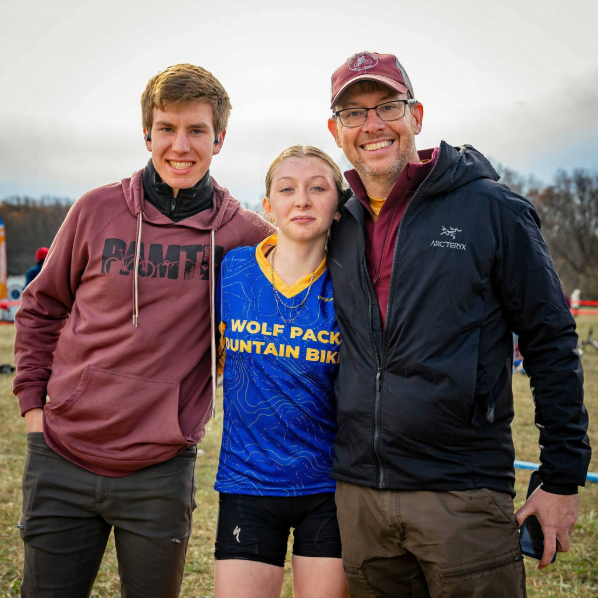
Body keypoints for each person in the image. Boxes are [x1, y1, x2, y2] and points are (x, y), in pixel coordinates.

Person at [325, 51, 591, 597]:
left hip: (462, 495)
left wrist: (562, 478)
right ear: (336, 130)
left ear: (417, 116)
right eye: (354, 113)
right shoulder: (338, 222)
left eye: (388, 106)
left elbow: (550, 339)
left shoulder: (491, 208)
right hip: (359, 500)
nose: (373, 124)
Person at [13, 63, 273, 598]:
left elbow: (309, 251)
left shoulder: (243, 234)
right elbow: (40, 308)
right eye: (168, 128)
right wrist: (34, 413)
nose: (181, 145)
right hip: (62, 454)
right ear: (147, 134)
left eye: (197, 130)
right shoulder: (95, 209)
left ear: (219, 138)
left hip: (160, 467)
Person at [213, 146, 350, 598]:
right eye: (287, 189)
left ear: (338, 205)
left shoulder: (354, 284)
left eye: (318, 188)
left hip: (328, 487)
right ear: (268, 205)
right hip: (247, 481)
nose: (302, 200)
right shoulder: (232, 270)